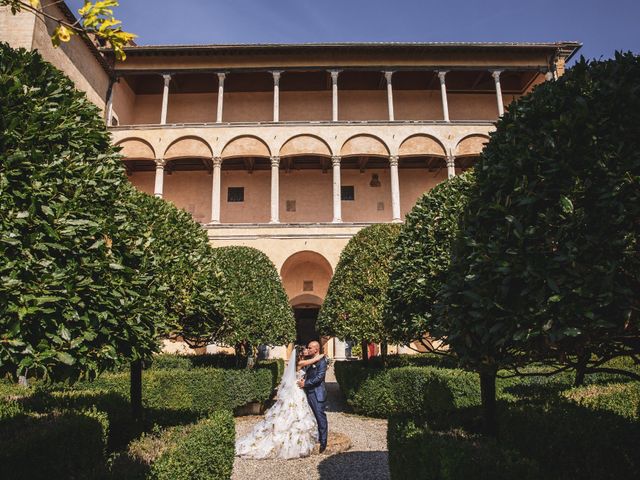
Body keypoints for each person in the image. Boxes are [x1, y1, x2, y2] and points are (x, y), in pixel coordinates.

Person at [235, 345, 325, 459]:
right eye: (305, 349)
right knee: (294, 412)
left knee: (295, 412)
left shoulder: (299, 362)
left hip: (297, 388)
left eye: (308, 348)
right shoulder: (300, 363)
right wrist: (321, 355)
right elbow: (314, 360)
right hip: (296, 390)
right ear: (300, 353)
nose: (307, 350)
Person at [297, 340, 328, 453]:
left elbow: (319, 377)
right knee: (311, 417)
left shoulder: (322, 361)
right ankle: (315, 437)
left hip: (317, 393)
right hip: (307, 392)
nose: (308, 349)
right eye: (308, 347)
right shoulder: (309, 361)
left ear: (316, 349)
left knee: (320, 417)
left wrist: (305, 383)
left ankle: (323, 441)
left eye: (310, 348)